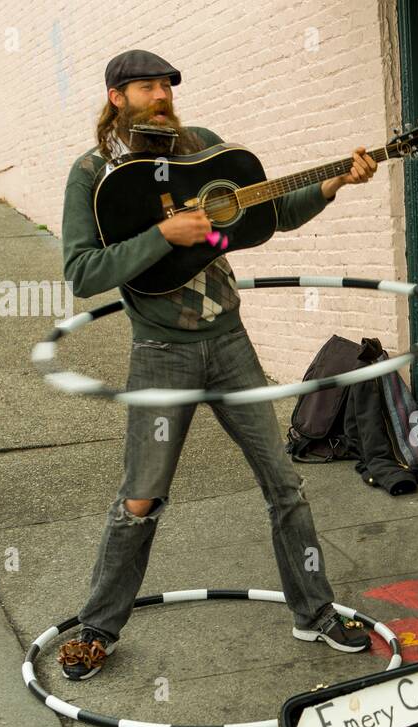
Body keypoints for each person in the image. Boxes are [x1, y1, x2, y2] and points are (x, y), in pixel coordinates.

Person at [56, 49, 379, 680]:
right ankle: (97, 626)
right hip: (160, 353)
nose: (161, 95)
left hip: (230, 344)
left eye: (168, 85)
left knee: (284, 483)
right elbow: (81, 272)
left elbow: (273, 211)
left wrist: (335, 182)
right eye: (147, 86)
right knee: (140, 498)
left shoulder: (201, 147)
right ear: (117, 96)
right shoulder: (93, 173)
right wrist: (162, 238)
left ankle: (314, 613)